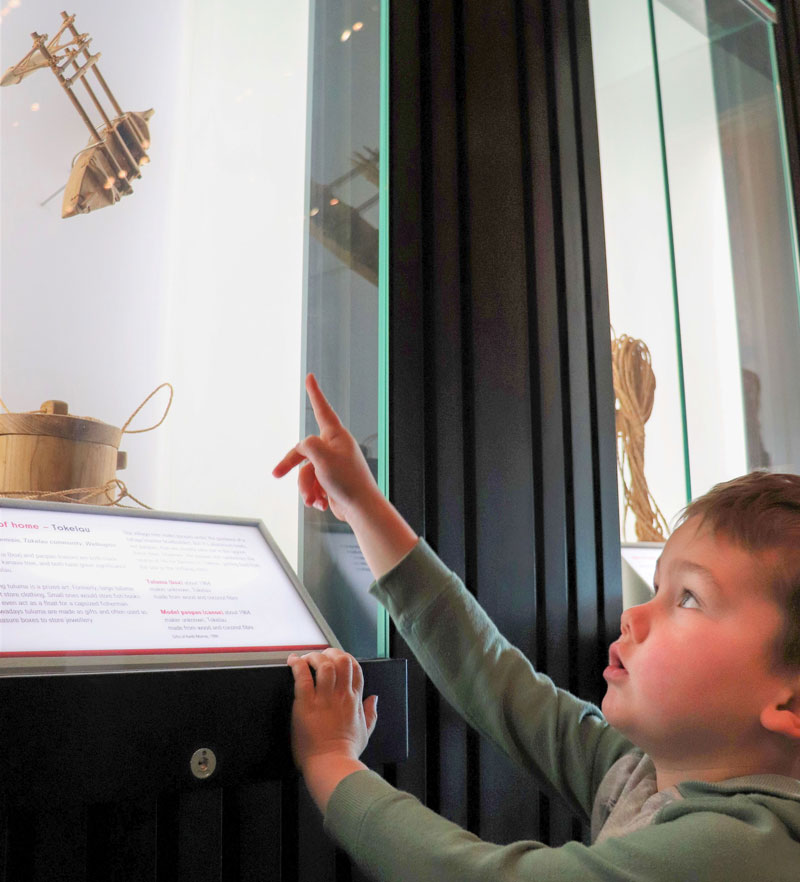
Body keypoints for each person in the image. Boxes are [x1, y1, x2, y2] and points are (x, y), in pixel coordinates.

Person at [272, 373, 800, 881]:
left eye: (688, 598)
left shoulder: (739, 850)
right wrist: (363, 504)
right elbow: (501, 684)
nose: (633, 616)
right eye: (657, 586)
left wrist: (328, 762)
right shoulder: (650, 773)